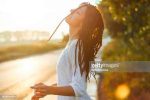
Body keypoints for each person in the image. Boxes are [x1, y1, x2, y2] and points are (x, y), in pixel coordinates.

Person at [31, 2, 104, 100]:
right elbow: (68, 81)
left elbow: (79, 88)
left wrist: (49, 90)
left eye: (77, 12)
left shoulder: (77, 47)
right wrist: (47, 89)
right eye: (75, 9)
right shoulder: (73, 45)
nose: (71, 10)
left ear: (83, 24)